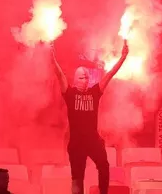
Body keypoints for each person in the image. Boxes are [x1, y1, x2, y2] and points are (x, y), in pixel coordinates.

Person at [55, 39, 129, 194]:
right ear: (75, 80)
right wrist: (52, 58)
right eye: (82, 78)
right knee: (77, 178)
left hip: (93, 140)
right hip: (76, 144)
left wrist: (122, 58)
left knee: (104, 165)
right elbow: (59, 74)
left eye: (87, 77)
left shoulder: (94, 92)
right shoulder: (70, 94)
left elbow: (110, 75)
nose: (85, 80)